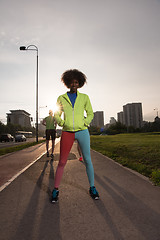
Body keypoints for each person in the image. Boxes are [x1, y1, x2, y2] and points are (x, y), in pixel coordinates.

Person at [51, 69, 99, 203]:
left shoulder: (84, 97)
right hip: (67, 132)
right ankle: (55, 189)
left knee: (88, 160)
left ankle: (92, 188)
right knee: (62, 162)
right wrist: (63, 123)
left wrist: (85, 122)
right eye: (72, 82)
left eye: (76, 82)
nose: (74, 84)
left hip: (82, 131)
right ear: (68, 83)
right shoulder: (61, 98)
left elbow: (90, 113)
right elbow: (56, 114)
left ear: (80, 83)